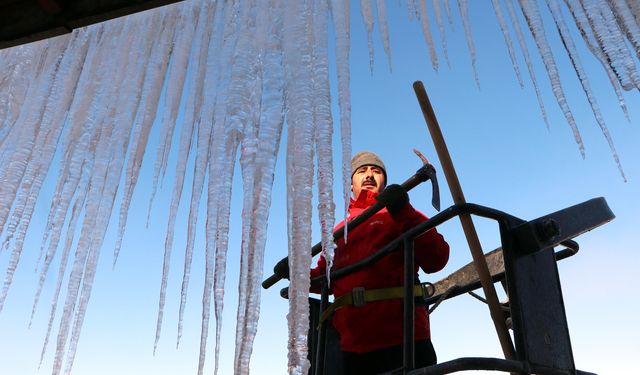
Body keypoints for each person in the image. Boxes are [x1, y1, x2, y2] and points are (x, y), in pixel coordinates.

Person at [310, 151, 450, 375]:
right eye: (361, 170)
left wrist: (403, 210)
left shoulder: (402, 214)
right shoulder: (337, 232)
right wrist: (296, 271)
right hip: (352, 349)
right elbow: (322, 279)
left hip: (404, 340)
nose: (369, 175)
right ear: (351, 184)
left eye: (376, 171)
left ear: (384, 181)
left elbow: (437, 258)